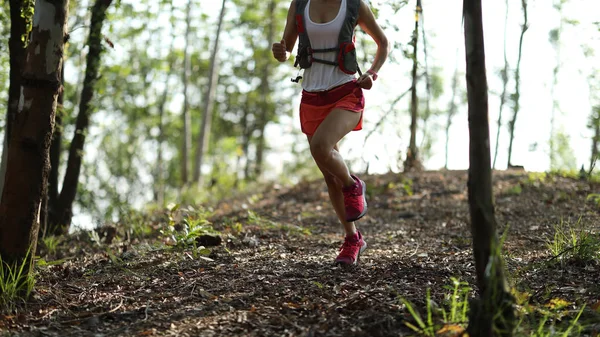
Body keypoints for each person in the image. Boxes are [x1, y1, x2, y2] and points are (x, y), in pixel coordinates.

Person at [272, 0, 389, 265]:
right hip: (312, 96)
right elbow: (287, 50)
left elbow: (383, 43)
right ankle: (352, 239)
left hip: (346, 91)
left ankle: (353, 185)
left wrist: (372, 73)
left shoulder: (354, 5)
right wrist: (280, 52)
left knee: (320, 148)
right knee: (328, 175)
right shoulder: (300, 4)